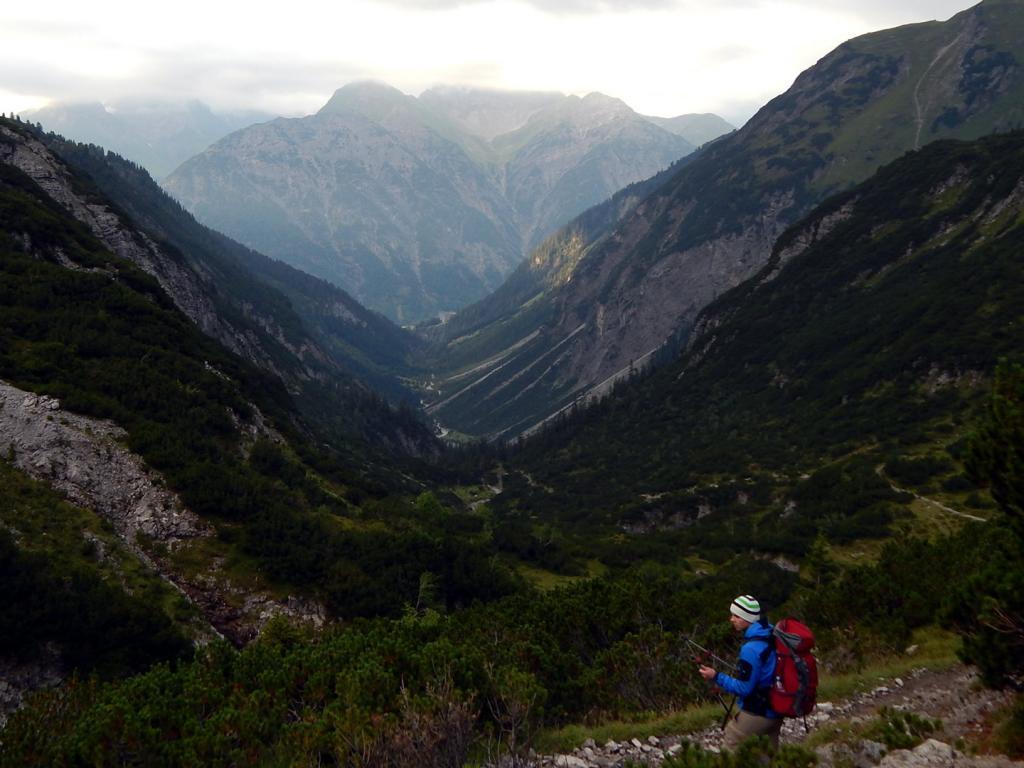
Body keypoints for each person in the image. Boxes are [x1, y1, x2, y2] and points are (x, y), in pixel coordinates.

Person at [698, 595, 782, 751]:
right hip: (776, 708)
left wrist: (716, 676)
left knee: (732, 742)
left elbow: (744, 688)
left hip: (758, 711)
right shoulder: (769, 632)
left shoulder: (751, 648)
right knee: (766, 756)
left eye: (736, 616)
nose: (731, 619)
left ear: (747, 618)